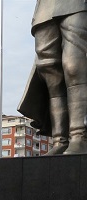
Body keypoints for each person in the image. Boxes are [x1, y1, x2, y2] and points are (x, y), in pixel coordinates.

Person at [18, 1, 87, 154]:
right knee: (49, 70)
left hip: (77, 4)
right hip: (45, 8)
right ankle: (59, 140)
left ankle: (79, 136)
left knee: (74, 65)